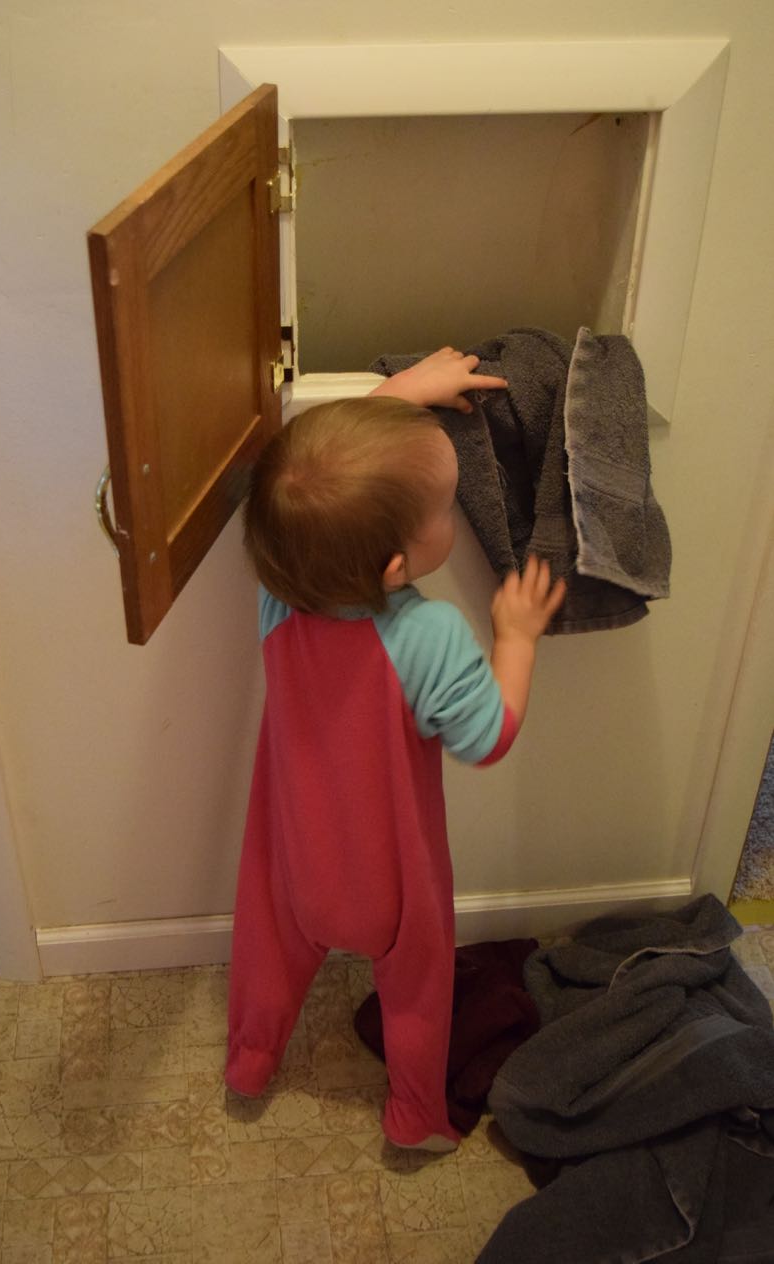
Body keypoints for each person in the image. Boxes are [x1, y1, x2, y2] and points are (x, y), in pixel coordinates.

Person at [224, 348, 566, 1151]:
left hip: (292, 858)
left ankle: (249, 1060)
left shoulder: (285, 592)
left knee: (267, 955)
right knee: (417, 990)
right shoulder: (426, 632)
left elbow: (315, 496)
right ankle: (413, 1115)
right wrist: (515, 639)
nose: (451, 518)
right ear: (395, 564)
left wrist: (397, 397)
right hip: (394, 881)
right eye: (443, 512)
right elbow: (488, 740)